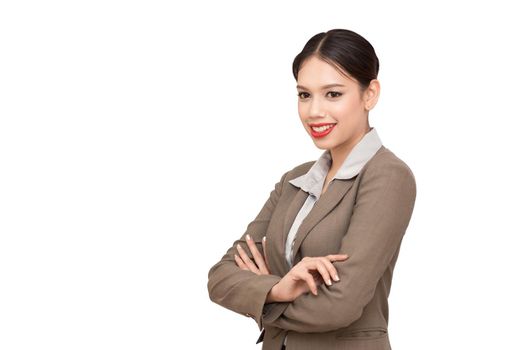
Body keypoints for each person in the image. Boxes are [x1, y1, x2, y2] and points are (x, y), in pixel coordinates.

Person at [207, 28, 417, 350]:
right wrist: (280, 289)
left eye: (333, 94)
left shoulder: (387, 176)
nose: (314, 111)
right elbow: (220, 277)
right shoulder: (296, 179)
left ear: (369, 94)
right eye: (304, 95)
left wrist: (262, 294)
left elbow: (341, 304)